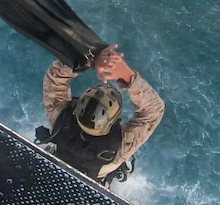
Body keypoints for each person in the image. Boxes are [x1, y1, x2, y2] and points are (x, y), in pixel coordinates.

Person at [39, 43, 164, 185]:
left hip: (54, 171)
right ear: (111, 121)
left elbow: (55, 77)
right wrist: (128, 76)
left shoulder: (59, 119)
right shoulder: (120, 149)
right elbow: (153, 111)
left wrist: (88, 61)